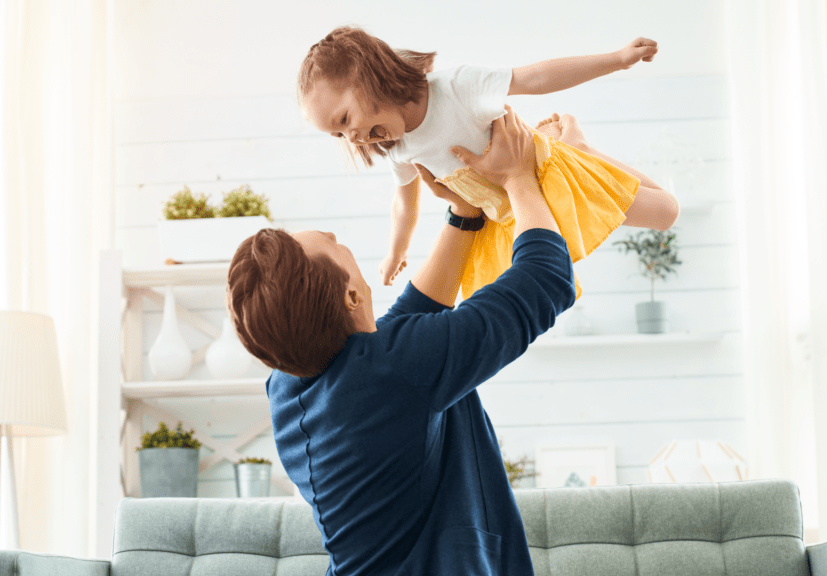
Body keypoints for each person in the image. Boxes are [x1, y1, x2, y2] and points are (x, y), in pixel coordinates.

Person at [226, 106, 571, 576]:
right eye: (334, 244)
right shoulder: (392, 368)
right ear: (351, 293)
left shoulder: (290, 382)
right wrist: (518, 178)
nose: (336, 237)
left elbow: (407, 323)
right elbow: (547, 280)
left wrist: (465, 214)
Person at [298, 25, 680, 298]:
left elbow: (536, 77)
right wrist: (396, 251)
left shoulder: (455, 89)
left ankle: (578, 148)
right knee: (528, 292)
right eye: (338, 135)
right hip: (510, 213)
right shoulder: (398, 148)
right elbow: (404, 203)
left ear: (369, 76)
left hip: (547, 176)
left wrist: (616, 59)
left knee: (666, 213)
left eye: (345, 120)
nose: (351, 138)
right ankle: (572, 144)